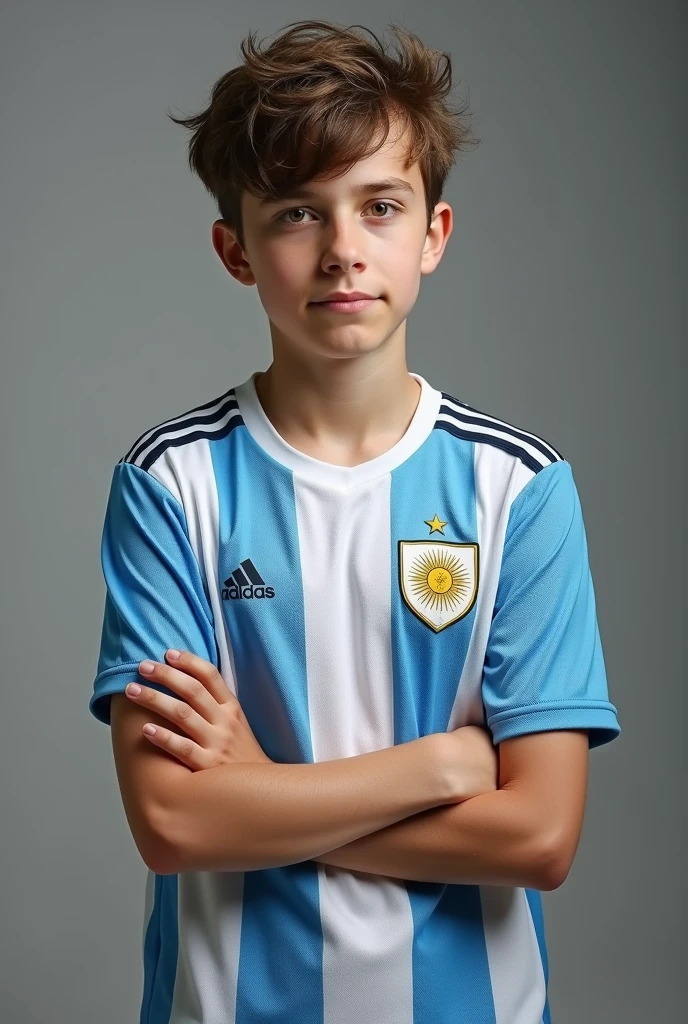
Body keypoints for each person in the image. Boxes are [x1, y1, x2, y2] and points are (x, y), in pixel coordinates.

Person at [89, 18, 621, 1024]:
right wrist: (439, 768)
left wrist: (258, 795)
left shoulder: (521, 487)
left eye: (379, 206)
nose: (342, 250)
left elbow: (540, 838)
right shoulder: (169, 484)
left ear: (432, 234)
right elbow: (170, 822)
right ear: (235, 249)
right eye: (296, 212)